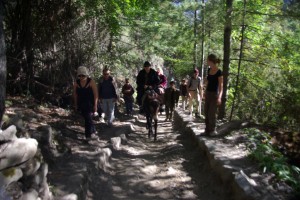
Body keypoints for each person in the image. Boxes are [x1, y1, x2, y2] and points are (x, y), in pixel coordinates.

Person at [73, 66, 98, 140]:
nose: (81, 77)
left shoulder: (91, 82)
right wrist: (75, 104)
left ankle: (88, 135)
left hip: (90, 103)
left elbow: (96, 94)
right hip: (81, 104)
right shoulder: (76, 83)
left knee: (88, 118)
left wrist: (96, 105)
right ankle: (93, 131)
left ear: (86, 75)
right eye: (80, 75)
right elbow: (75, 94)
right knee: (88, 118)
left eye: (83, 75)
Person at [204, 54, 223, 135]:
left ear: (211, 61)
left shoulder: (219, 72)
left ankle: (213, 130)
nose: (207, 62)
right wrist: (204, 92)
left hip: (214, 94)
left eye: (207, 60)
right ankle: (207, 130)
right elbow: (208, 82)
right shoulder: (209, 70)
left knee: (212, 113)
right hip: (208, 93)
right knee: (206, 112)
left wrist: (219, 97)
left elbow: (221, 86)